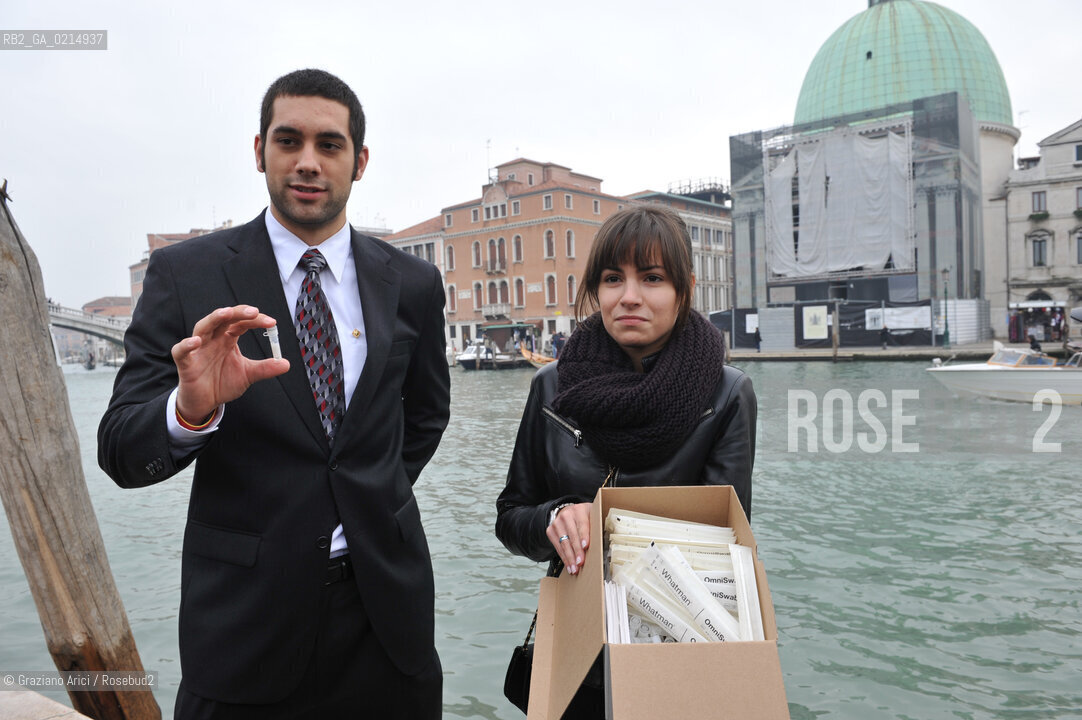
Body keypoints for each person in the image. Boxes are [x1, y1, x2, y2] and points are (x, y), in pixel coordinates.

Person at [97, 69, 450, 719]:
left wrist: (370, 495)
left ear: (360, 161)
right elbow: (120, 449)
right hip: (243, 622)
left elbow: (427, 414)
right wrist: (191, 409)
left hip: (387, 618)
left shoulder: (415, 283)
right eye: (289, 141)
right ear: (259, 150)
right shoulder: (187, 275)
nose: (308, 162)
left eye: (330, 144)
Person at [494, 205, 756, 717]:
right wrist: (556, 518)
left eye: (652, 278)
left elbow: (730, 541)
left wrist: (609, 526)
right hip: (574, 640)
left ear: (685, 288)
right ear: (597, 289)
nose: (629, 296)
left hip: (677, 642)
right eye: (614, 278)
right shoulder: (551, 387)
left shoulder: (726, 394)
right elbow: (510, 517)